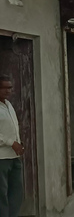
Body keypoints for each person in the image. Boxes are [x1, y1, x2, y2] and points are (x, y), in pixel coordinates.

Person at [0, 75, 23, 217]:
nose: (8, 91)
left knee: (16, 192)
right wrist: (11, 142)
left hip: (14, 156)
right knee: (1, 194)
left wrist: (18, 143)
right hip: (1, 158)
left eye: (10, 88)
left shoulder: (8, 105)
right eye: (4, 88)